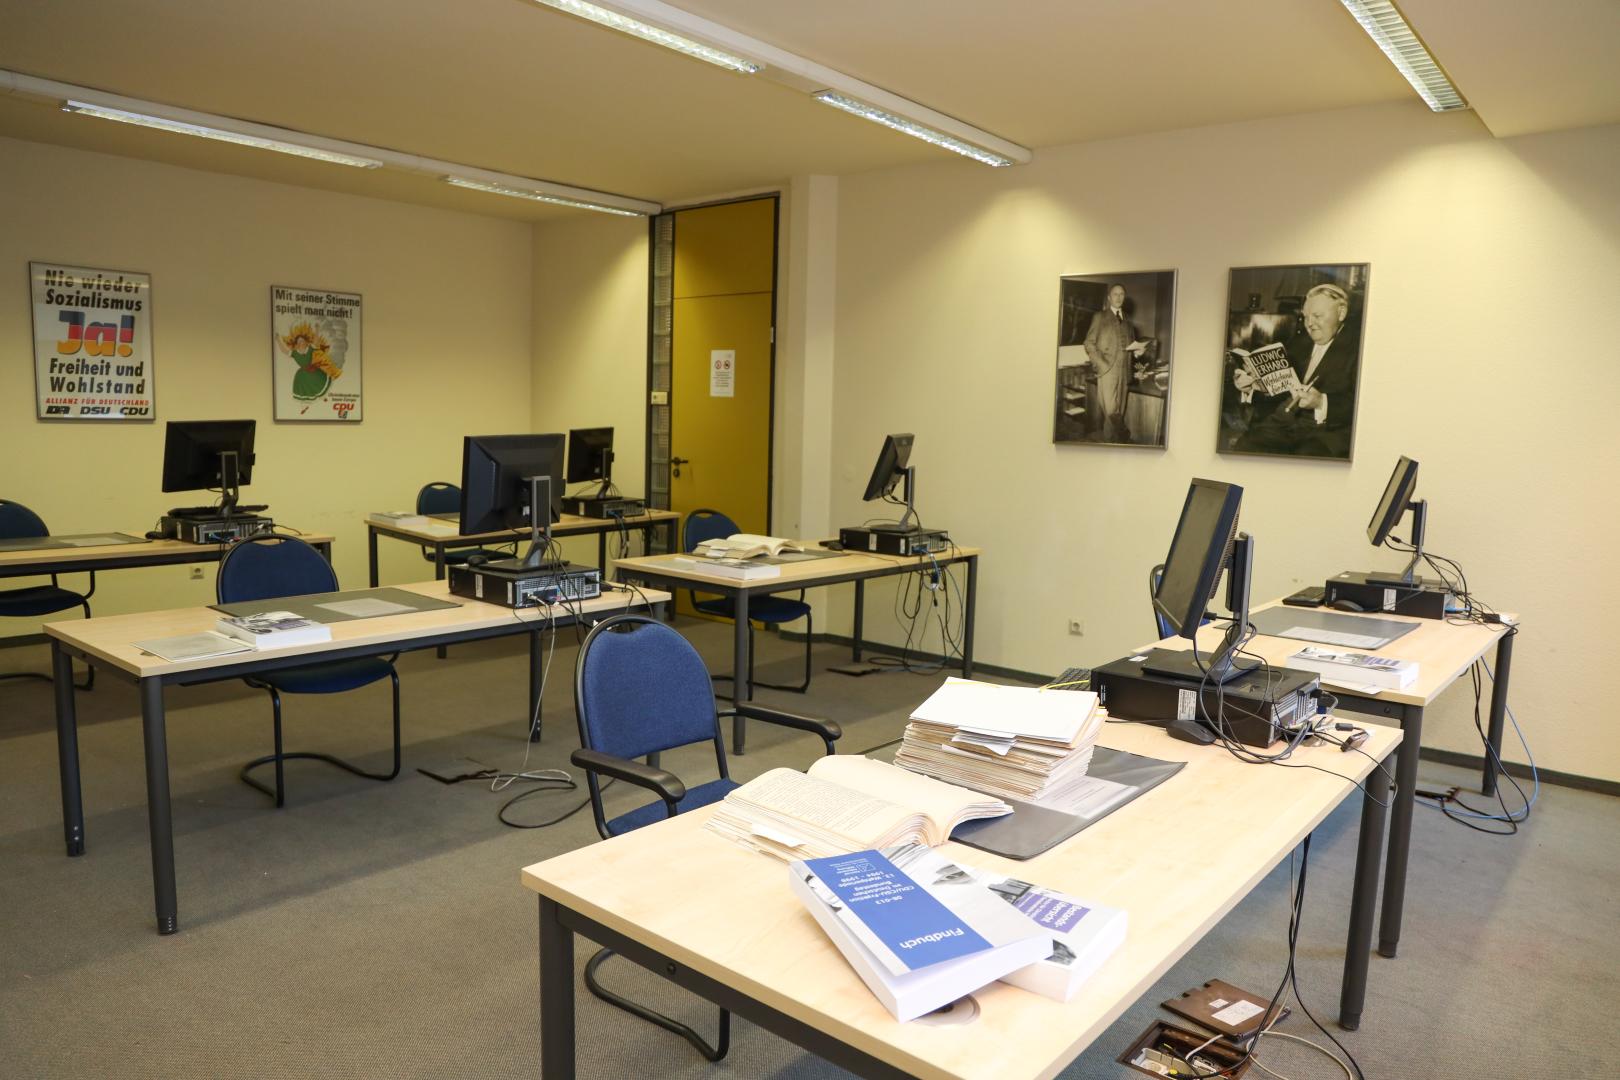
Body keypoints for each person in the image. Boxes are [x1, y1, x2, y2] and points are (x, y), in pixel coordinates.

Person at [1231, 283, 1360, 457]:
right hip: (1287, 423)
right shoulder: (1300, 342)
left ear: (1341, 312)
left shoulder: (1359, 348)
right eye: (1305, 317)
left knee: (1306, 456)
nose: (1309, 324)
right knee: (1246, 446)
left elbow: (1363, 403)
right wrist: (1254, 386)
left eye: (1317, 316)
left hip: (1328, 432)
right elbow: (1283, 388)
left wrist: (1321, 402)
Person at [1083, 284, 1147, 442]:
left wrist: (1137, 352)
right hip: (1107, 370)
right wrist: (1101, 364)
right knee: (1111, 410)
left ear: (1124, 297)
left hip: (1124, 372)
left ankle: (1111, 443)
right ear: (1109, 298)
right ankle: (1124, 435)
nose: (1118, 297)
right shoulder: (1100, 317)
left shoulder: (1128, 321)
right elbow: (1089, 343)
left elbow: (1130, 347)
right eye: (1115, 294)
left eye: (1122, 294)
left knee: (1119, 410)